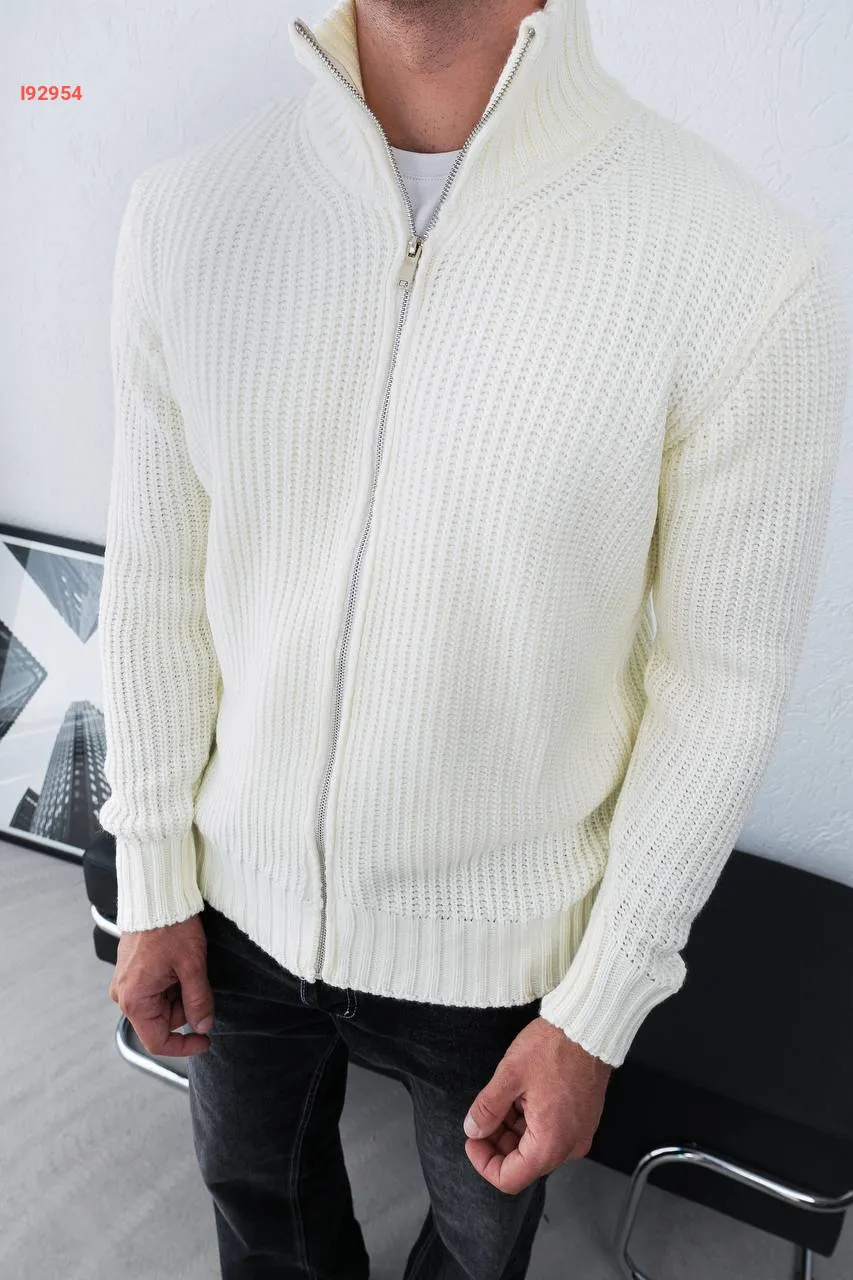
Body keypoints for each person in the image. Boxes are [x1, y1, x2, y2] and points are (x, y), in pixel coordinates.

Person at [98, 0, 849, 1276]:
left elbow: (719, 686)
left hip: (507, 949)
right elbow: (156, 577)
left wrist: (599, 1006)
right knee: (262, 1217)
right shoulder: (186, 213)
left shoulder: (741, 264)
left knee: (474, 1253)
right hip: (231, 895)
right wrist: (155, 868)